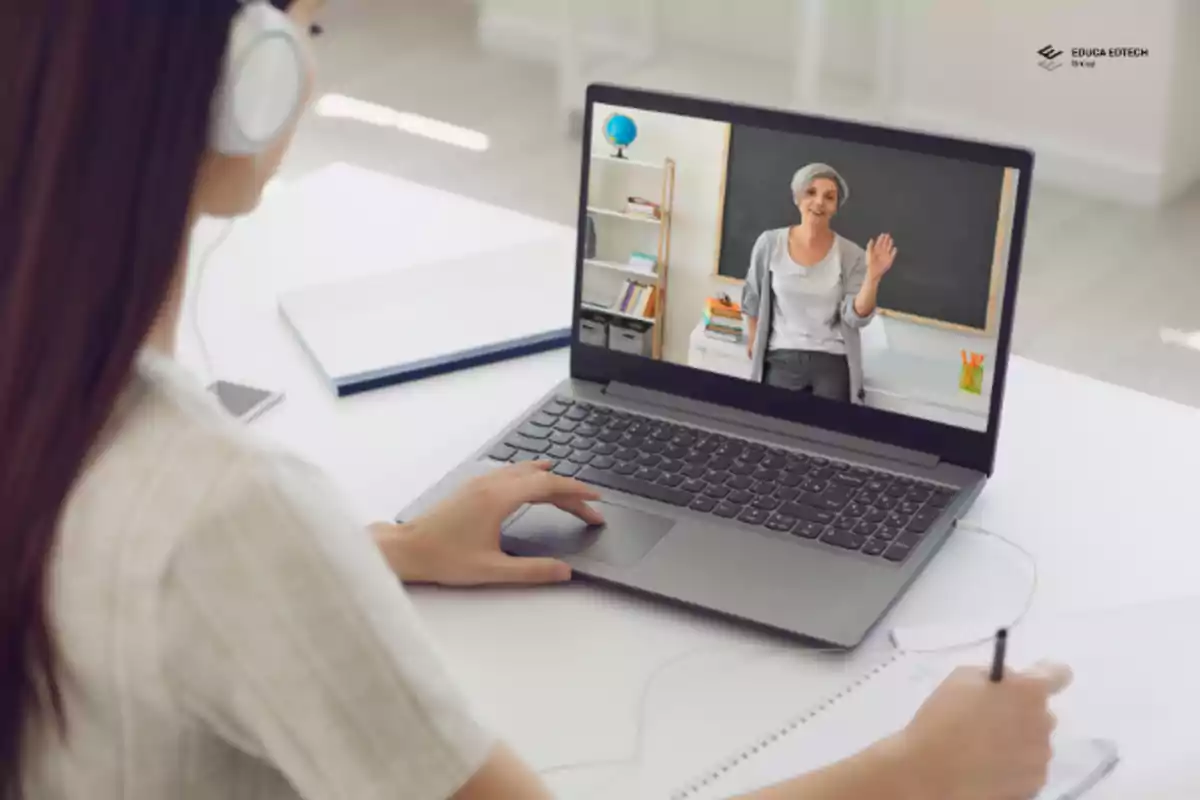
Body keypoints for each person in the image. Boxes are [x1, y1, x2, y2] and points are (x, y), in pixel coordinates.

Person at [0, 2, 1072, 798]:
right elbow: (208, 550)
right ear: (251, 82)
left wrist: (389, 545)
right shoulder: (226, 508)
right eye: (303, 27)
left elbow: (145, 580)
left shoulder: (52, 406)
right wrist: (922, 769)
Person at [742, 163, 897, 404]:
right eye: (811, 192)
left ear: (836, 206)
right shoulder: (769, 243)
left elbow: (856, 317)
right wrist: (753, 337)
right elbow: (752, 296)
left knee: (827, 434)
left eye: (829, 197)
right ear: (797, 197)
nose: (819, 202)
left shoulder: (851, 255)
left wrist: (873, 277)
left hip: (832, 359)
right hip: (781, 354)